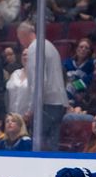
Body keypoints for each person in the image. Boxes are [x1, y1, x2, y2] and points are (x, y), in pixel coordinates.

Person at [17, 21, 68, 150]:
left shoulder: (34, 49)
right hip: (58, 102)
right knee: (52, 144)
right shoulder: (49, 45)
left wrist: (31, 109)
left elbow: (39, 82)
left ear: (23, 35)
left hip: (46, 104)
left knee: (41, 145)